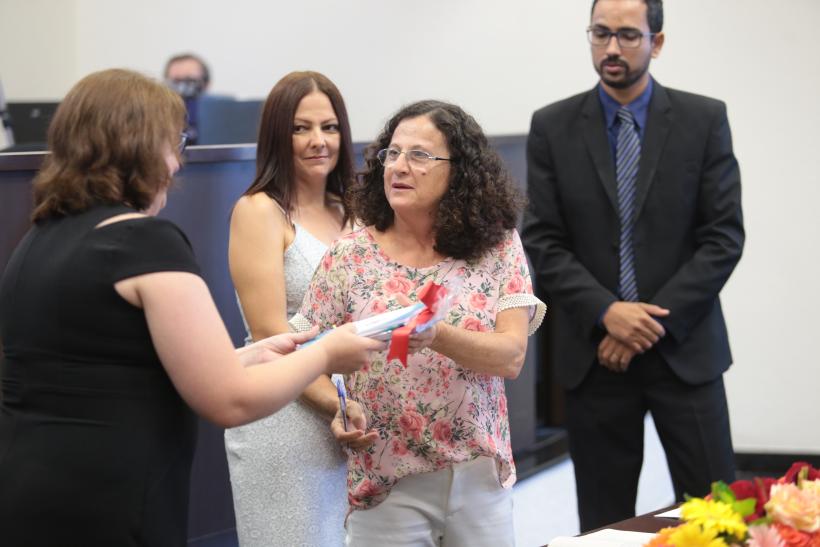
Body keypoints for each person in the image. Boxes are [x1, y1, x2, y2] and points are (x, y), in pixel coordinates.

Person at [0, 68, 383, 547]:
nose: (176, 163)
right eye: (173, 144)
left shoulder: (36, 241)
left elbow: (109, 368)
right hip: (113, 500)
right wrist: (326, 352)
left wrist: (244, 357)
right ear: (140, 148)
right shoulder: (145, 243)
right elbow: (229, 401)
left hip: (29, 492)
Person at [521, 0, 744, 532]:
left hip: (685, 351)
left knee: (718, 517)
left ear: (656, 42)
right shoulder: (553, 125)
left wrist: (645, 323)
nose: (612, 47)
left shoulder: (703, 120)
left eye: (627, 35)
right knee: (607, 525)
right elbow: (543, 240)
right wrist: (608, 313)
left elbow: (723, 237)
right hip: (596, 356)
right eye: (600, 33)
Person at [294, 100, 546, 546]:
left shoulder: (496, 246)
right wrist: (337, 407)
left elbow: (511, 357)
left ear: (459, 171)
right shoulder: (350, 256)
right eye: (392, 153)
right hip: (386, 481)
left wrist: (436, 335)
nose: (398, 166)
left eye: (419, 155)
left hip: (478, 476)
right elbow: (302, 355)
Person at [223, 71, 362, 546]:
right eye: (301, 128)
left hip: (352, 421)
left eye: (329, 127)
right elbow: (271, 335)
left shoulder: (353, 210)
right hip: (285, 416)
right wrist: (338, 405)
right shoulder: (259, 210)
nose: (318, 140)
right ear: (277, 137)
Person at [163, 52, 210, 144]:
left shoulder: (221, 116)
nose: (182, 87)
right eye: (176, 81)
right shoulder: (157, 116)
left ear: (206, 83)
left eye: (189, 80)